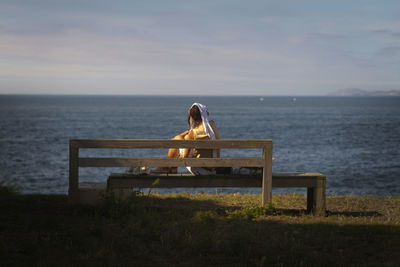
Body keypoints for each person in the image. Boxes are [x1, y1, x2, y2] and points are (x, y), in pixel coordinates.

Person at [151, 103, 220, 174]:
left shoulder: (193, 134)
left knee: (177, 139)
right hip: (213, 167)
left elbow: (185, 158)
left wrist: (183, 136)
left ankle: (166, 167)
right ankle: (170, 167)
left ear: (192, 117)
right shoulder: (212, 127)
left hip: (201, 170)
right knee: (179, 139)